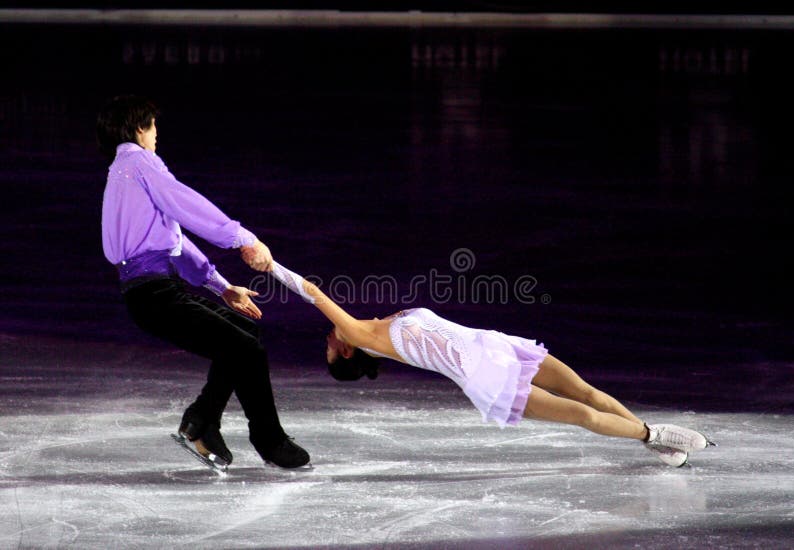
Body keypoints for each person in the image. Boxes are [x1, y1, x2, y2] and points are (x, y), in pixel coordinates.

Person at [266, 262, 714, 467]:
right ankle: (655, 434)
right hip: (485, 374)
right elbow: (313, 292)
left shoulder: (376, 328)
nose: (328, 336)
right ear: (346, 350)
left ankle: (650, 440)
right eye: (329, 344)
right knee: (581, 413)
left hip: (495, 346)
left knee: (586, 392)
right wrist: (270, 267)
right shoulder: (363, 336)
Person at [97, 95, 309, 470]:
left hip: (151, 291)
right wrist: (244, 238)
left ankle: (202, 420)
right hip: (153, 292)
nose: (157, 135)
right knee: (246, 350)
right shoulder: (140, 162)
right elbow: (187, 205)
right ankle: (268, 439)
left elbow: (172, 238)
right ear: (140, 128)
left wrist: (220, 286)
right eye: (154, 126)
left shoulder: (122, 171)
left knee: (244, 333)